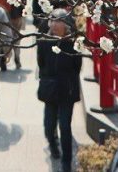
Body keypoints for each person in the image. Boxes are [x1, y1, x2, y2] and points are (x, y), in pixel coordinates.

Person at [36, 9, 82, 172]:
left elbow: (77, 67)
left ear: (66, 24)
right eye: (52, 21)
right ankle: (53, 145)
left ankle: (67, 161)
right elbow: (41, 63)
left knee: (65, 126)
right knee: (48, 125)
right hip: (50, 88)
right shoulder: (44, 40)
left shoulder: (73, 42)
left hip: (67, 89)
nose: (54, 25)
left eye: (58, 21)